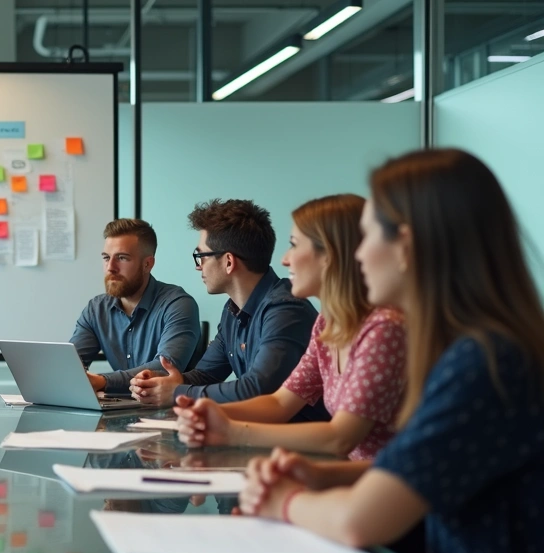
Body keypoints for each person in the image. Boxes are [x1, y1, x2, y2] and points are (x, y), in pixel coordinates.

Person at [239, 149, 544, 553]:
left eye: (368, 235)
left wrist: (284, 502)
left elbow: (357, 523)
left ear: (406, 245)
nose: (358, 254)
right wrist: (322, 474)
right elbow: (420, 469)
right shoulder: (482, 348)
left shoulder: (482, 363)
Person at [173, 195, 406, 459]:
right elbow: (279, 402)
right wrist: (205, 411)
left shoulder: (383, 328)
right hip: (351, 478)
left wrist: (230, 430)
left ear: (330, 254)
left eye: (294, 245)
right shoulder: (327, 324)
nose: (285, 259)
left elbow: (339, 438)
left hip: (384, 491)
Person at [131, 199, 328, 423]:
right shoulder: (232, 311)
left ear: (228, 262)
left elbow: (256, 389)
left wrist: (177, 393)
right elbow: (206, 375)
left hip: (298, 446)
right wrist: (160, 383)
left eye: (201, 256)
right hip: (262, 439)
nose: (198, 266)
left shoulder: (285, 309)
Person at [71, 219, 201, 393]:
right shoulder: (96, 309)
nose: (111, 267)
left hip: (169, 412)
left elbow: (163, 369)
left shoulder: (178, 304)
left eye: (122, 258)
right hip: (118, 410)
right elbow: (71, 365)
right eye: (106, 258)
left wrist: (103, 381)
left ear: (148, 264)